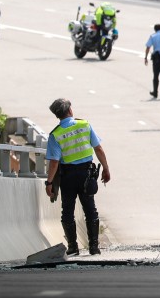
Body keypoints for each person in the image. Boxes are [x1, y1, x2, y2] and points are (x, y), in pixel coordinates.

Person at [45, 98, 111, 256]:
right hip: (86, 174)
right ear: (70, 111)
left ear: (57, 115)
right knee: (90, 209)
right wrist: (106, 169)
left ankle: (73, 247)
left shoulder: (56, 134)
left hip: (67, 176)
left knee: (67, 211)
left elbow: (54, 162)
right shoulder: (85, 125)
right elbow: (98, 149)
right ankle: (94, 247)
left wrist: (49, 183)